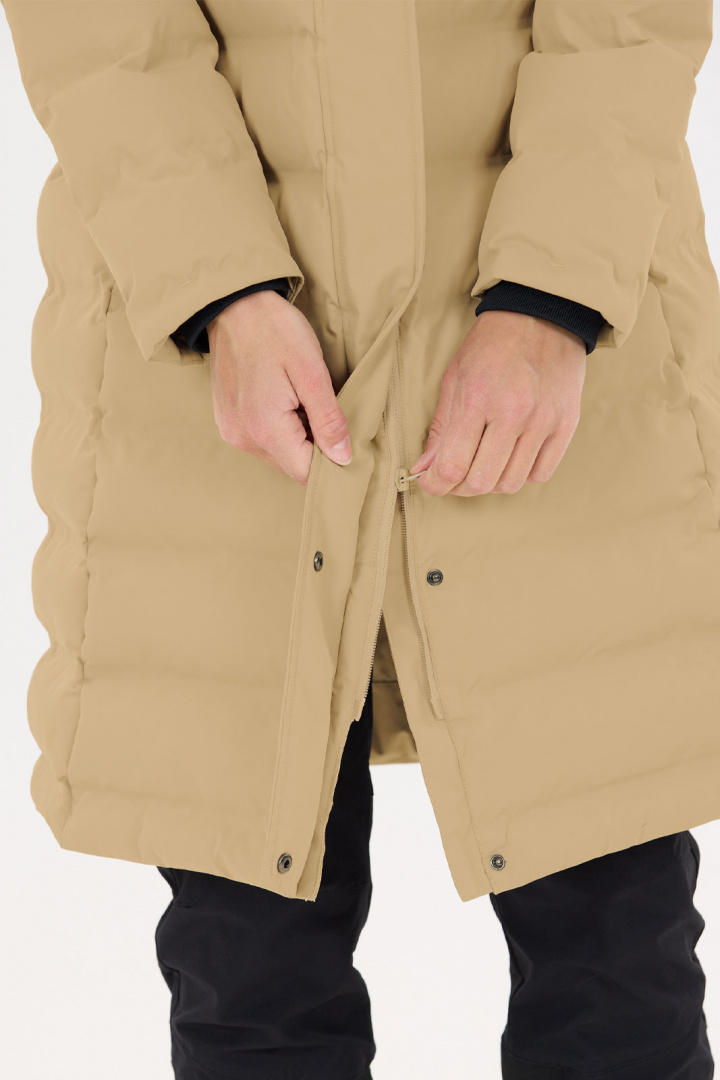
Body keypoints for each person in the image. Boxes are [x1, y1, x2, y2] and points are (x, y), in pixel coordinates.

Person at [3, 1, 718, 1077]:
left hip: (548, 347)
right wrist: (216, 285)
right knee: (251, 966)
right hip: (213, 374)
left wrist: (554, 289)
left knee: (612, 944)